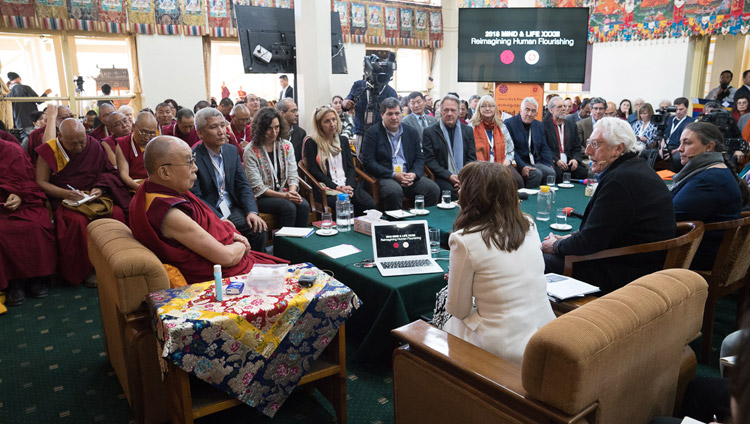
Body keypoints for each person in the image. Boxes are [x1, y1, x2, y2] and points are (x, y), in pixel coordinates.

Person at [434, 161, 555, 365]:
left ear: (473, 195)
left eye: (461, 186)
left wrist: (459, 283)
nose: (458, 191)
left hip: (503, 346)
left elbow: (458, 311)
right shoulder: (529, 224)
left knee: (442, 303)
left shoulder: (464, 239)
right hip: (546, 331)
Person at [541, 117, 676, 294]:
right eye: (589, 143)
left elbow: (589, 242)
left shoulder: (620, 181)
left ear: (618, 149)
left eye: (595, 144)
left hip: (623, 272)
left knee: (536, 260)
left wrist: (556, 246)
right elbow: (604, 231)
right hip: (635, 259)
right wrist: (567, 240)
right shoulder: (633, 168)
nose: (587, 151)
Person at [130, 136, 284, 285]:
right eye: (189, 162)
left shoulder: (159, 190)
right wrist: (243, 244)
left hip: (229, 256)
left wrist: (229, 231)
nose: (195, 168)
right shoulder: (170, 213)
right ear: (164, 172)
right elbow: (226, 257)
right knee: (287, 279)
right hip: (219, 277)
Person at [35, 115, 130, 287]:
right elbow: (41, 182)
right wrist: (66, 194)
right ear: (60, 137)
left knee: (115, 213)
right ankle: (86, 270)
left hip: (93, 196)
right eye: (73, 143)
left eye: (82, 141)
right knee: (77, 221)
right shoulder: (49, 151)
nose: (79, 147)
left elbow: (107, 172)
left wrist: (100, 188)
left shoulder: (94, 145)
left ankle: (119, 262)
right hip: (65, 200)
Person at [191, 108, 267, 252]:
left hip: (232, 208)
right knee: (227, 233)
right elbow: (196, 197)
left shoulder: (231, 151)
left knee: (258, 227)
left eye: (222, 125)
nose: (221, 131)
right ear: (200, 133)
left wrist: (252, 211)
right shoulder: (194, 157)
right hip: (209, 212)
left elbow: (243, 185)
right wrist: (219, 218)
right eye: (213, 127)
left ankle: (259, 267)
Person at [671, 122, 745, 270]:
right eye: (680, 143)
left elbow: (670, 218)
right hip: (702, 248)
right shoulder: (714, 171)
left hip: (696, 256)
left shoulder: (709, 180)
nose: (680, 149)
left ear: (709, 146)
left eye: (687, 143)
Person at [0, 138, 56, 306]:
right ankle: (13, 283)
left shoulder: (13, 151)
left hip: (24, 203)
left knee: (35, 226)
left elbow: (30, 181)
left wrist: (19, 195)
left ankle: (36, 278)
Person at [360, 97, 440, 210]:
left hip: (409, 176)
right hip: (386, 177)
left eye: (397, 113)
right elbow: (369, 162)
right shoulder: (372, 133)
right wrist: (394, 175)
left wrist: (414, 174)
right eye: (390, 114)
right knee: (394, 191)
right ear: (382, 115)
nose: (394, 117)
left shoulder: (411, 132)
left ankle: (425, 223)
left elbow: (419, 158)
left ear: (402, 114)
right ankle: (395, 225)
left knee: (432, 188)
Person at [303, 105, 376, 215]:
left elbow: (351, 167)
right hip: (326, 188)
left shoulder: (343, 140)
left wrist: (349, 186)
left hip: (347, 184)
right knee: (343, 204)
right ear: (319, 125)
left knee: (369, 204)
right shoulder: (312, 142)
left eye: (334, 120)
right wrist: (336, 187)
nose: (332, 124)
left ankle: (361, 230)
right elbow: (315, 171)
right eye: (327, 121)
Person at [244, 107, 310, 228]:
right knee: (288, 207)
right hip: (263, 197)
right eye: (269, 128)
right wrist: (285, 196)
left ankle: (300, 245)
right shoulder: (250, 151)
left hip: (286, 193)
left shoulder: (286, 145)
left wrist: (292, 192)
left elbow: (293, 174)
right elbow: (257, 187)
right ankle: (283, 245)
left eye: (277, 127)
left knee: (304, 205)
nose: (274, 132)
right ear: (260, 128)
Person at [422, 94, 476, 199]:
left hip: (464, 176)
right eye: (446, 110)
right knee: (452, 192)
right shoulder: (430, 132)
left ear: (458, 112)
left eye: (453, 110)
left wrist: (462, 177)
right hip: (441, 176)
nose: (449, 114)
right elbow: (430, 160)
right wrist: (449, 176)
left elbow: (472, 158)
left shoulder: (468, 131)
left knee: (478, 189)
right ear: (441, 111)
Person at [470, 95, 524, 189]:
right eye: (483, 106)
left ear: (495, 109)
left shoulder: (502, 126)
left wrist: (506, 162)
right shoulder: (471, 127)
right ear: (479, 109)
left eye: (491, 106)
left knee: (517, 181)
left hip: (501, 164)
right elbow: (469, 151)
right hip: (479, 166)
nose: (487, 109)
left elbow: (510, 149)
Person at [505, 97, 556, 188]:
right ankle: (529, 199)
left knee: (551, 172)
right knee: (536, 174)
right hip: (518, 162)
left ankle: (543, 197)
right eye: (527, 110)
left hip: (535, 161)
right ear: (520, 110)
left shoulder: (538, 125)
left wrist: (549, 164)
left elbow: (544, 148)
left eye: (533, 111)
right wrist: (522, 166)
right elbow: (511, 150)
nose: (530, 114)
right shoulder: (509, 123)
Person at [342, 77, 398, 154]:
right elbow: (346, 101)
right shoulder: (359, 85)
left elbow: (396, 113)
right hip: (361, 132)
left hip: (382, 133)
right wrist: (345, 103)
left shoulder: (390, 92)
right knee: (361, 160)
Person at [543, 96, 587, 182]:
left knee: (583, 173)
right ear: (551, 110)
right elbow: (544, 148)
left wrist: (575, 159)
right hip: (553, 162)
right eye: (559, 107)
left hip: (569, 161)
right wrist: (556, 160)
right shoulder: (544, 125)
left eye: (564, 106)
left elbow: (577, 146)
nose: (563, 109)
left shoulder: (571, 125)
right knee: (557, 174)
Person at [116, 111, 158, 191]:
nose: (147, 137)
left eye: (152, 133)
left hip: (154, 185)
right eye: (144, 132)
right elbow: (124, 175)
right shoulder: (123, 143)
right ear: (134, 127)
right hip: (133, 186)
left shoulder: (157, 143)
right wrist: (140, 189)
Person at [664, 97, 695, 171]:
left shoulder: (691, 122)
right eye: (676, 109)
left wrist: (677, 150)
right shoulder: (669, 119)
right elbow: (664, 135)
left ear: (687, 108)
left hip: (679, 148)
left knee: (675, 158)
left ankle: (674, 180)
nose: (678, 112)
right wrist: (660, 148)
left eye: (681, 109)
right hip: (666, 146)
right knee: (650, 154)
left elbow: (688, 141)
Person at [276, 99, 306, 163]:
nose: (297, 114)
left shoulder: (301, 133)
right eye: (293, 111)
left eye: (297, 111)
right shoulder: (274, 132)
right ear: (282, 114)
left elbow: (301, 159)